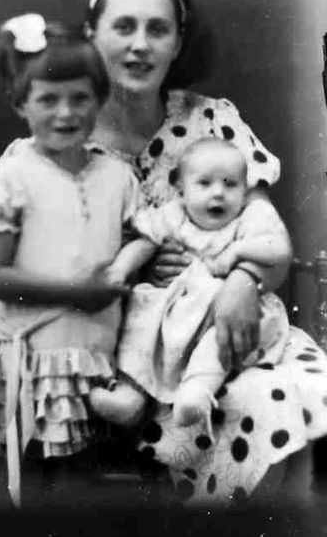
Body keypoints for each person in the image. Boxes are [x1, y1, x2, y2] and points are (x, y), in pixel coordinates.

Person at [79, 0, 327, 500]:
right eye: (124, 27)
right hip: (133, 351)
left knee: (303, 389)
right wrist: (138, 265)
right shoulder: (65, 135)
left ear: (177, 43)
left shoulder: (212, 122)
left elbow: (267, 234)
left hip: (231, 323)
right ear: (91, 34)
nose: (141, 45)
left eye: (158, 29)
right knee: (253, 404)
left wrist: (242, 281)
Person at [0, 17, 136, 505]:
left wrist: (127, 267)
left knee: (79, 488)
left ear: (100, 99)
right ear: (21, 104)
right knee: (21, 486)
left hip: (92, 356)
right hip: (27, 357)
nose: (65, 113)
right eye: (48, 99)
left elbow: (134, 243)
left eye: (80, 98)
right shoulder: (10, 178)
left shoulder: (117, 177)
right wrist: (82, 294)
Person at [89, 138, 292, 431]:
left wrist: (237, 251)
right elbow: (144, 244)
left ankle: (197, 392)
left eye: (230, 184)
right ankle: (132, 392)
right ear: (182, 189)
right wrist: (120, 269)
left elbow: (279, 249)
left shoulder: (250, 217)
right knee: (142, 310)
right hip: (180, 307)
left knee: (216, 339)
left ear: (245, 188)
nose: (218, 193)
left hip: (227, 309)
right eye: (205, 183)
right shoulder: (174, 214)